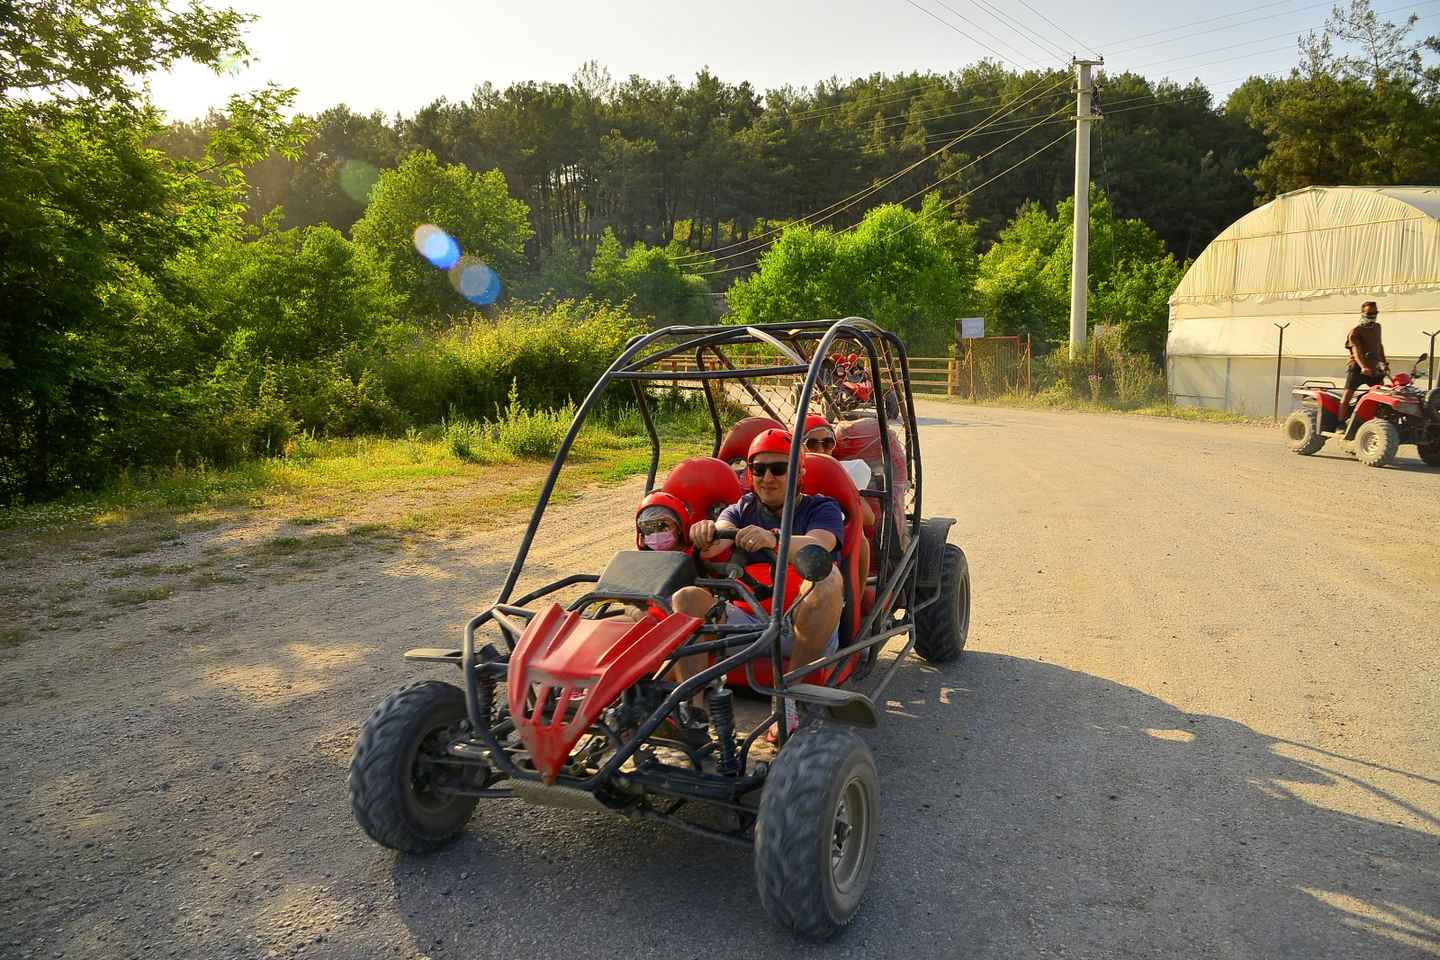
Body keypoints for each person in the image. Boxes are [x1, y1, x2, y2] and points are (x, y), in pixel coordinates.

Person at [671, 428, 845, 737]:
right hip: (749, 622)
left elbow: (820, 546)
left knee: (827, 577)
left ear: (799, 472)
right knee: (686, 597)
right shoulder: (741, 509)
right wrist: (707, 533)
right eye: (758, 469)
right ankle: (692, 713)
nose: (768, 477)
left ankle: (788, 700)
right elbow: (719, 539)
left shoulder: (821, 507)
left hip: (803, 627)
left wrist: (774, 538)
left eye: (779, 468)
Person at [1341, 301, 1389, 428]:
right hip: (1358, 367)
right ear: (1362, 313)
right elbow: (1356, 351)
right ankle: (1340, 424)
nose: (1372, 316)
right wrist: (1363, 367)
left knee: (1382, 396)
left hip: (1374, 367)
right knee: (1347, 395)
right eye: (1369, 313)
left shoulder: (1377, 327)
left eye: (1375, 313)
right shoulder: (1355, 331)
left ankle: (1377, 423)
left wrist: (1384, 363)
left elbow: (1380, 346)